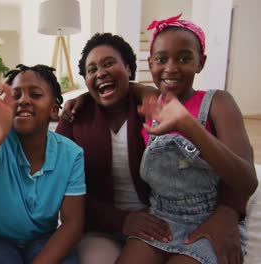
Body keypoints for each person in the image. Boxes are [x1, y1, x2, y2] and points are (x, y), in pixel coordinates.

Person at [57, 31, 254, 264]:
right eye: (92, 69)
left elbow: (236, 170)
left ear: (130, 70)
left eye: (109, 63)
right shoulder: (76, 117)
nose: (101, 72)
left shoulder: (154, 107)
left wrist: (228, 211)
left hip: (161, 218)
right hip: (112, 224)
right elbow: (62, 189)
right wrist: (122, 220)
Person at [115, 14, 258, 264]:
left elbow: (247, 181)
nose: (171, 68)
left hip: (208, 220)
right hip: (160, 217)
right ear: (150, 63)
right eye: (162, 59)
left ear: (200, 62)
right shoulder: (150, 103)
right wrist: (77, 100)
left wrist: (189, 125)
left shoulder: (218, 103)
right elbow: (125, 85)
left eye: (184, 58)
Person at [0, 64, 86, 264]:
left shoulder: (72, 154)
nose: (23, 101)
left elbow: (72, 224)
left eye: (36, 95)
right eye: (16, 95)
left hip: (42, 237)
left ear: (54, 110)